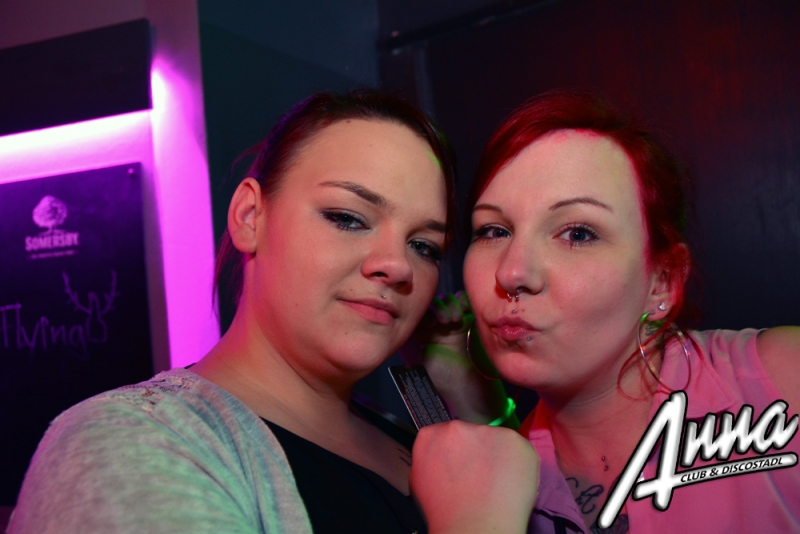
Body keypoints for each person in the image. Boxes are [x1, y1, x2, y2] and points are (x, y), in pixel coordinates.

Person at [8, 91, 539, 534]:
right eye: (348, 217)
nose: (398, 265)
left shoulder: (409, 430)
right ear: (249, 216)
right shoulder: (126, 445)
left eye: (424, 246)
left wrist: (469, 401)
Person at [461, 89, 800, 533]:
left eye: (578, 233)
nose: (512, 272)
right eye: (493, 230)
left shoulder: (782, 381)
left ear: (662, 280)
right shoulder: (500, 490)